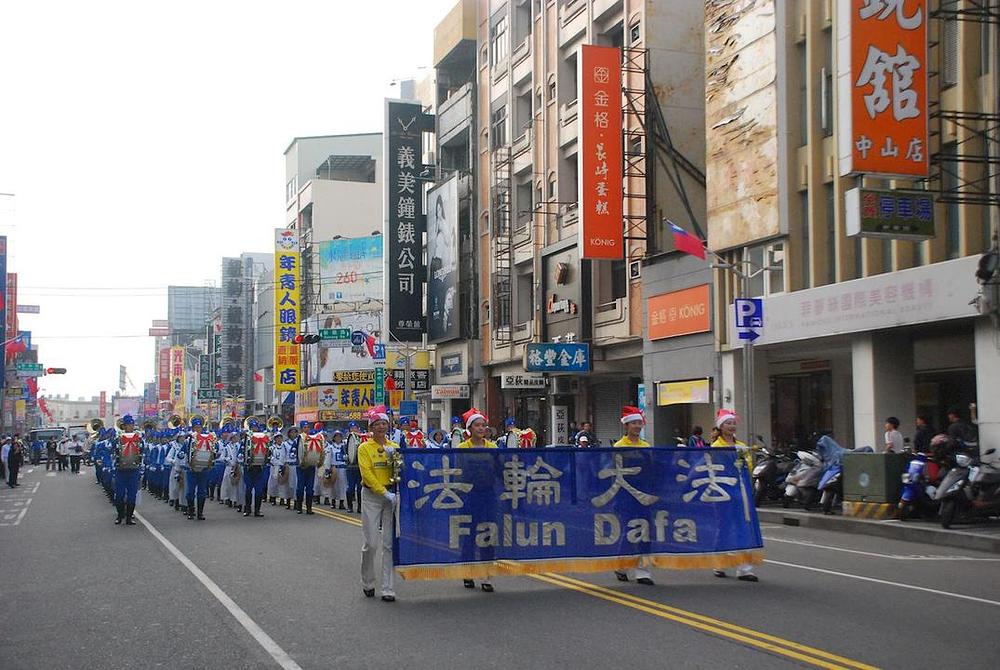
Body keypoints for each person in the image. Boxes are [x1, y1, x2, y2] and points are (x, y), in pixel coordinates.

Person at [711, 409, 759, 582]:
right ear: (721, 427)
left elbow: (749, 467)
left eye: (733, 423)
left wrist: (743, 464)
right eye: (728, 423)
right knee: (724, 527)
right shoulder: (715, 447)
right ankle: (720, 564)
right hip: (722, 492)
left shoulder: (741, 446)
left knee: (743, 526)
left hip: (741, 492)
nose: (731, 426)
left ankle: (745, 568)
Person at [358, 405, 399, 602]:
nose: (381, 427)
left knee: (389, 544)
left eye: (384, 423)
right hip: (372, 496)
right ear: (371, 428)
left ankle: (388, 588)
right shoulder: (364, 448)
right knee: (371, 543)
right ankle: (368, 581)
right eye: (377, 424)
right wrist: (383, 492)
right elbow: (367, 473)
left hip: (391, 497)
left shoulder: (394, 447)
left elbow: (401, 471)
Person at [457, 408, 498, 593]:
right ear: (470, 428)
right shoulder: (462, 448)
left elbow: (500, 470)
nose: (481, 428)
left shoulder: (493, 448)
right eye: (477, 425)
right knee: (469, 535)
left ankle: (486, 575)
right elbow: (457, 472)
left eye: (483, 425)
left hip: (488, 494)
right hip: (468, 495)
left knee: (488, 533)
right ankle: (468, 571)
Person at [612, 406, 654, 586]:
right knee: (629, 531)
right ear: (627, 426)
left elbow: (652, 470)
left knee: (645, 531)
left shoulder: (646, 446)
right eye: (634, 423)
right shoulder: (619, 447)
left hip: (644, 495)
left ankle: (643, 571)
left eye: (639, 423)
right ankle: (622, 566)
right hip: (625, 495)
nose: (637, 426)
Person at [113, 415, 144, 525]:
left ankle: (129, 517)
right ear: (124, 426)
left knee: (132, 495)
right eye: (128, 425)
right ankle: (120, 515)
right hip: (120, 470)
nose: (130, 427)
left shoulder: (139, 438)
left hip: (134, 470)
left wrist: (142, 468)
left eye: (131, 424)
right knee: (119, 494)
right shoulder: (118, 438)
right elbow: (113, 452)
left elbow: (142, 453)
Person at [183, 418, 216, 521]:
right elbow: (182, 452)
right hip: (191, 469)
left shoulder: (208, 439)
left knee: (202, 492)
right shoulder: (189, 440)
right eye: (196, 427)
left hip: (204, 470)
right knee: (190, 492)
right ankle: (191, 511)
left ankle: (200, 512)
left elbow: (215, 451)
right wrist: (181, 455)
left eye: (199, 427)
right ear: (193, 428)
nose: (198, 429)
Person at [296, 423, 325, 515]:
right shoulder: (299, 439)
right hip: (301, 468)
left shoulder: (314, 438)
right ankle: (299, 507)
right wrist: (299, 460)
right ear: (301, 429)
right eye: (305, 427)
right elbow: (294, 453)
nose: (307, 429)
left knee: (310, 489)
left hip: (311, 467)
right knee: (300, 488)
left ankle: (309, 508)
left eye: (308, 427)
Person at [243, 421, 270, 518]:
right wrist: (243, 459)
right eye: (253, 427)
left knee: (259, 490)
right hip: (248, 468)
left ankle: (257, 510)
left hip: (259, 468)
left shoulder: (264, 438)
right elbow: (242, 452)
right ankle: (247, 509)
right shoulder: (246, 438)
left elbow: (268, 452)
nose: (255, 429)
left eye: (256, 427)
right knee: (248, 490)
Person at [344, 422, 363, 513]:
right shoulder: (346, 441)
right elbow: (343, 452)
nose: (354, 430)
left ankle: (360, 506)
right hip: (350, 467)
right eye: (352, 428)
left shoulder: (362, 439)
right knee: (350, 488)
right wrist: (346, 457)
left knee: (360, 488)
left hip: (360, 467)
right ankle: (350, 506)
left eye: (355, 428)